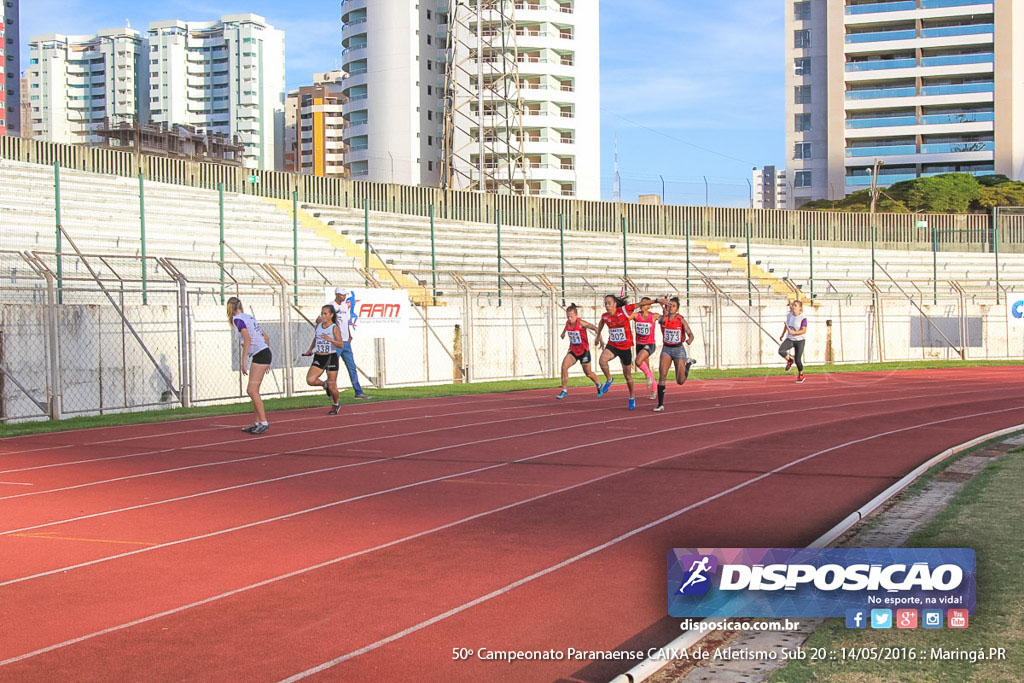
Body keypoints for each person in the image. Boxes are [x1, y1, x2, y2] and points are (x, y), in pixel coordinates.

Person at [228, 296, 272, 434]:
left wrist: (243, 361)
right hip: (263, 353)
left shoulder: (238, 319)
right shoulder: (250, 317)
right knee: (254, 391)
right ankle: (258, 421)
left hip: (260, 354)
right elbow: (266, 337)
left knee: (252, 391)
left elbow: (247, 338)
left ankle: (263, 421)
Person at [593, 293, 638, 410]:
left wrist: (657, 300)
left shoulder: (623, 310)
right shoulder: (605, 316)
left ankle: (632, 397)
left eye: (609, 303)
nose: (607, 306)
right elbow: (601, 323)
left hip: (625, 348)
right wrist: (598, 336)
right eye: (605, 304)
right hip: (613, 345)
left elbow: (640, 304)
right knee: (602, 361)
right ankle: (609, 378)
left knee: (627, 376)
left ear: (615, 304)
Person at [654, 296, 696, 412]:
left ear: (677, 308)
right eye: (669, 305)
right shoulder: (664, 318)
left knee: (680, 381)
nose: (671, 308)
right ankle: (660, 404)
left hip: (678, 349)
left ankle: (687, 364)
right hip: (666, 349)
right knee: (662, 375)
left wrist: (690, 340)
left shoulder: (681, 320)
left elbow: (690, 333)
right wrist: (663, 309)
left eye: (673, 306)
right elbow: (660, 320)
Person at [302, 304, 345, 415]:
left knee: (333, 386)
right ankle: (324, 385)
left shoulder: (334, 328)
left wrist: (330, 340)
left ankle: (336, 404)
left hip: (331, 357)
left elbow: (341, 345)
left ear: (331, 315)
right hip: (319, 357)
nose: (323, 315)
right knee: (310, 380)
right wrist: (310, 350)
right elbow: (316, 338)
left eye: (325, 314)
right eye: (322, 313)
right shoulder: (319, 325)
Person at [329, 287, 370, 399]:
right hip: (337, 342)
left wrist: (349, 334)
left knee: (352, 367)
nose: (344, 296)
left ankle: (358, 392)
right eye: (342, 295)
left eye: (345, 295)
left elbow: (345, 322)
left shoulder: (344, 306)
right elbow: (328, 323)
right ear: (336, 294)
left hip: (346, 342)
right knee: (333, 368)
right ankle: (331, 391)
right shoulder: (331, 306)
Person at [557, 303, 603, 399]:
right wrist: (563, 333)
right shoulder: (568, 322)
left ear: (576, 315)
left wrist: (599, 339)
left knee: (588, 373)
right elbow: (566, 328)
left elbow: (595, 328)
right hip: (573, 350)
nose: (570, 319)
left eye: (572, 317)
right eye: (568, 316)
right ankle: (564, 390)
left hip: (584, 351)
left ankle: (598, 384)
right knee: (564, 367)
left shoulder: (581, 323)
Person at [630, 297, 660, 399]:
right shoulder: (636, 315)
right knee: (647, 368)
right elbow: (624, 318)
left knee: (638, 361)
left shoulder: (653, 316)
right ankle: (654, 389)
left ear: (649, 306)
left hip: (650, 344)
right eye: (641, 304)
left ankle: (648, 378)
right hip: (639, 345)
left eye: (644, 304)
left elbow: (664, 319)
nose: (642, 306)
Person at [779, 299, 808, 384]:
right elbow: (786, 326)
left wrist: (794, 332)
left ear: (800, 308)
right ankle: (789, 360)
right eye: (793, 305)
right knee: (781, 350)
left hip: (800, 340)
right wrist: (782, 334)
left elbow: (803, 331)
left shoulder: (803, 318)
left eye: (795, 305)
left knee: (798, 359)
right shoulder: (789, 315)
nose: (793, 307)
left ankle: (801, 374)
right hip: (790, 338)